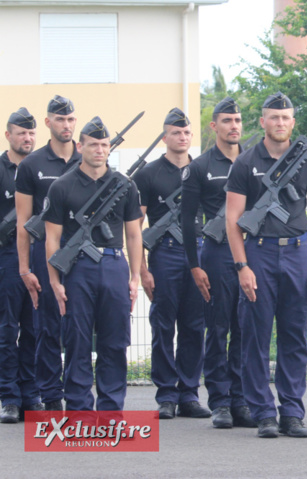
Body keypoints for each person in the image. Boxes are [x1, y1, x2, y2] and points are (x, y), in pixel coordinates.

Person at [225, 92, 307, 438]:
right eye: (274, 117)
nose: (280, 123)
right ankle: (264, 413)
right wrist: (242, 266)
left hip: (298, 253)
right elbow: (233, 219)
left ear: (292, 122)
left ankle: (292, 412)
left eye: (285, 118)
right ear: (263, 122)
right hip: (259, 254)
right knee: (254, 336)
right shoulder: (245, 163)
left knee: (294, 336)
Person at [42, 116, 143, 411]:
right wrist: (54, 280)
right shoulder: (61, 187)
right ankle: (79, 409)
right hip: (77, 270)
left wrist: (135, 277)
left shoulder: (124, 185)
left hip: (113, 264)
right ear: (80, 145)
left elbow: (134, 234)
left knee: (115, 341)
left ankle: (111, 409)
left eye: (104, 144)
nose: (99, 150)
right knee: (77, 341)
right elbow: (52, 238)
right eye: (93, 144)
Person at [182, 96, 255, 428]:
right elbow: (186, 219)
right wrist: (194, 265)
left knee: (245, 328)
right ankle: (220, 401)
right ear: (214, 126)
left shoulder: (254, 161)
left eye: (238, 121)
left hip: (250, 253)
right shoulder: (199, 166)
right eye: (227, 121)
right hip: (216, 253)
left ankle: (241, 399)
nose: (234, 127)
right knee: (219, 328)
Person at [133, 108, 209, 420]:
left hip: (199, 254)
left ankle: (189, 393)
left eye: (187, 133)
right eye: (176, 133)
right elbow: (135, 226)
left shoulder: (202, 170)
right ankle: (166, 394)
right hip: (163, 254)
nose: (182, 137)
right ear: (166, 137)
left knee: (194, 326)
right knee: (163, 325)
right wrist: (141, 270)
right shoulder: (148, 174)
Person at [15, 95, 81, 411]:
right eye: (60, 119)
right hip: (46, 255)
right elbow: (23, 223)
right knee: (47, 327)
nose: (66, 125)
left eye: (70, 120)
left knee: (79, 328)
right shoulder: (31, 166)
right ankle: (52, 397)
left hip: (83, 255)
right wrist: (25, 269)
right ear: (48, 123)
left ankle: (79, 395)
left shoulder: (89, 159)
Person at [0, 108, 43, 423]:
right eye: (21, 133)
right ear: (8, 136)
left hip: (36, 257)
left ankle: (31, 394)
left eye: (31, 133)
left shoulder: (37, 169)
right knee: (6, 329)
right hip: (6, 258)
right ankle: (9, 397)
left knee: (34, 329)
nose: (27, 138)